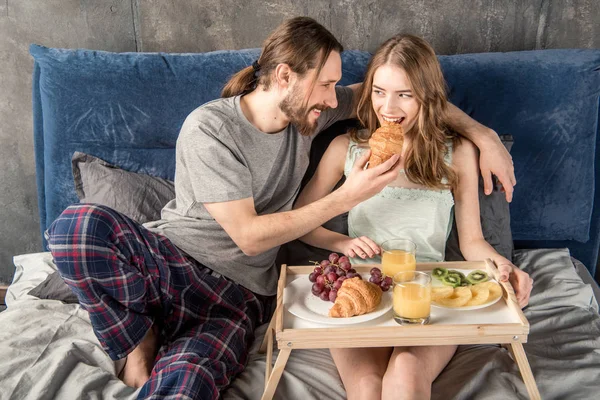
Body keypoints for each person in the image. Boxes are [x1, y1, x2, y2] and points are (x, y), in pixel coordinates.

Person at [45, 17, 517, 400]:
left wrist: (484, 135)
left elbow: (409, 97)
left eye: (337, 87)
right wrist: (348, 199)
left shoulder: (313, 112)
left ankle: (159, 345)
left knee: (186, 389)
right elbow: (248, 235)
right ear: (286, 77)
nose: (338, 100)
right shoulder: (210, 127)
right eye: (327, 85)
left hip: (239, 298)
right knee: (78, 229)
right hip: (176, 266)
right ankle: (136, 340)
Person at [294, 34, 534, 400]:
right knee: (367, 388)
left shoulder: (457, 153)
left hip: (430, 296)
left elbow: (472, 242)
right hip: (362, 287)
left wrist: (503, 267)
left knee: (404, 378)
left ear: (427, 96)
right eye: (378, 91)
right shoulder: (346, 148)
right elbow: (302, 220)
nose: (387, 107)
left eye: (404, 94)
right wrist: (340, 242)